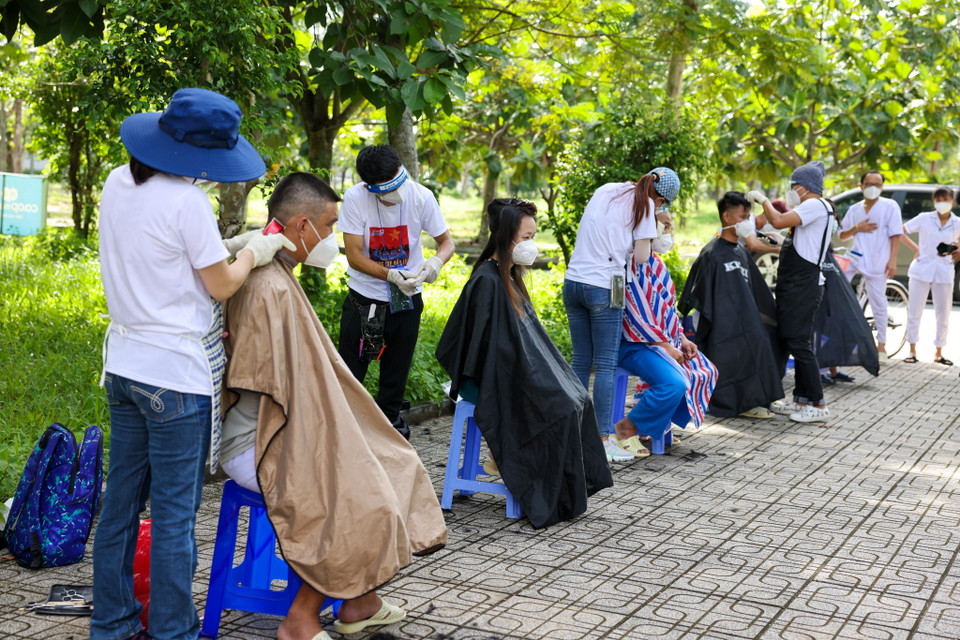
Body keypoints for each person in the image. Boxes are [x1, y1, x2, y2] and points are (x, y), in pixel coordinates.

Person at [92, 88, 294, 640]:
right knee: (175, 517)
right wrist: (257, 250)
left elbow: (162, 256)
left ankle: (110, 625)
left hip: (125, 366)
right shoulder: (187, 204)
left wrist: (230, 244)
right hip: (175, 379)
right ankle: (173, 632)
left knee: (120, 508)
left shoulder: (116, 181)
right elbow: (222, 282)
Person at [220, 172, 447, 640]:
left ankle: (359, 601)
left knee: (396, 460)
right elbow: (265, 385)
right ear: (302, 227)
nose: (333, 239)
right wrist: (327, 429)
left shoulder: (276, 272)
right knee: (361, 498)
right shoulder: (267, 285)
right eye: (328, 225)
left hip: (291, 425)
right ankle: (300, 621)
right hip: (260, 440)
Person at [436, 198, 613, 528]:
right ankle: (539, 489)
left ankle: (567, 490)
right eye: (526, 238)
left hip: (507, 370)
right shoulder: (488, 282)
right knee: (558, 409)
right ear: (505, 237)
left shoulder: (509, 275)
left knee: (577, 398)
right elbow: (487, 355)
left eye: (534, 236)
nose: (532, 245)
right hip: (486, 379)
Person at [337, 145, 455, 440]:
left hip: (407, 299)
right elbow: (353, 255)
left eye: (398, 184)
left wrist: (435, 263)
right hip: (364, 299)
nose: (396, 196)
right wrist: (389, 274)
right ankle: (344, 428)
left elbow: (447, 242)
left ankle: (388, 426)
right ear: (370, 187)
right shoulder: (355, 198)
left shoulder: (420, 196)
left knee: (397, 369)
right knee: (352, 368)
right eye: (387, 192)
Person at [563, 167, 678, 462]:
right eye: (665, 202)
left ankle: (571, 430)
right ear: (661, 196)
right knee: (604, 365)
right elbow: (640, 258)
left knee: (580, 361)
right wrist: (652, 235)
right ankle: (602, 438)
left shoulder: (608, 189)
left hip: (573, 282)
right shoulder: (647, 205)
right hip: (604, 287)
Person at [677, 191, 783, 419]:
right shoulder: (712, 254)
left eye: (748, 217)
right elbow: (695, 292)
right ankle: (736, 403)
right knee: (735, 344)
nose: (747, 222)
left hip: (745, 318)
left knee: (764, 338)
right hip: (721, 321)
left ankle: (757, 398)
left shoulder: (740, 252)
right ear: (726, 217)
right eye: (742, 217)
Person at [611, 233, 718, 455]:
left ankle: (656, 424)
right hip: (633, 345)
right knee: (674, 384)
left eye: (670, 226)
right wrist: (665, 346)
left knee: (705, 371)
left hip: (661, 342)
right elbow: (633, 315)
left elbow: (667, 310)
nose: (668, 232)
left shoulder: (657, 263)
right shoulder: (627, 262)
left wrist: (682, 339)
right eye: (664, 226)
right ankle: (626, 427)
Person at [747, 160, 833, 423]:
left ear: (806, 187)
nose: (792, 189)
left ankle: (817, 405)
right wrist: (771, 239)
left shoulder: (815, 205)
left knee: (799, 342)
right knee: (789, 339)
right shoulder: (817, 208)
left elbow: (778, 219)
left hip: (802, 287)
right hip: (798, 284)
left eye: (794, 185)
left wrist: (763, 200)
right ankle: (800, 399)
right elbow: (796, 241)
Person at [836, 170, 903, 363]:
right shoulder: (855, 209)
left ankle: (881, 345)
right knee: (837, 290)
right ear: (861, 186)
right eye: (869, 184)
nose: (873, 188)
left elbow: (896, 234)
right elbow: (842, 235)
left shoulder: (890, 206)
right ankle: (843, 339)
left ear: (882, 187)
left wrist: (893, 260)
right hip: (856, 256)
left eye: (877, 185)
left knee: (878, 302)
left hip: (878, 260)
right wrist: (857, 227)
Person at [901, 186, 960, 365]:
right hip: (921, 269)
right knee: (915, 310)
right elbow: (900, 230)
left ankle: (939, 352)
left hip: (944, 270)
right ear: (934, 201)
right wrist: (916, 248)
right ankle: (912, 350)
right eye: (938, 199)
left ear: (953, 201)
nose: (942, 203)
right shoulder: (924, 218)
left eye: (946, 199)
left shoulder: (958, 222)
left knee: (943, 313)